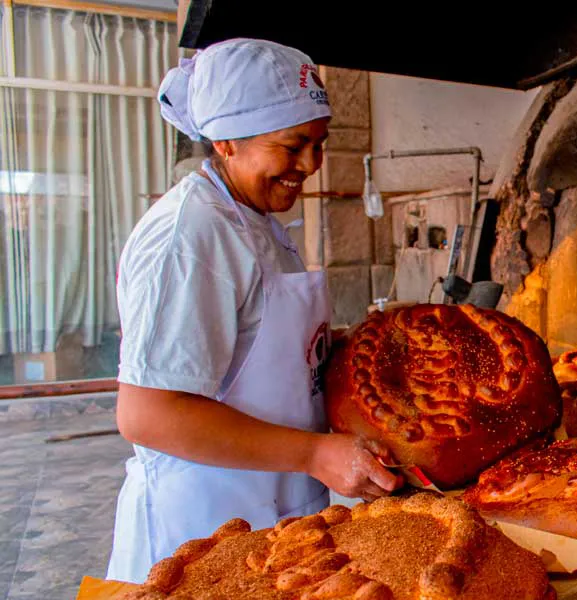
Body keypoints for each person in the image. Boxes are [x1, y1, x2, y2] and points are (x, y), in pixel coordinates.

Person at [106, 38, 401, 584]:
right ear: (226, 143)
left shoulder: (256, 218)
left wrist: (346, 344)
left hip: (275, 516)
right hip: (203, 531)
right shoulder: (192, 234)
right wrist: (315, 454)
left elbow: (251, 349)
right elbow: (147, 413)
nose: (310, 165)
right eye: (292, 146)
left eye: (318, 144)